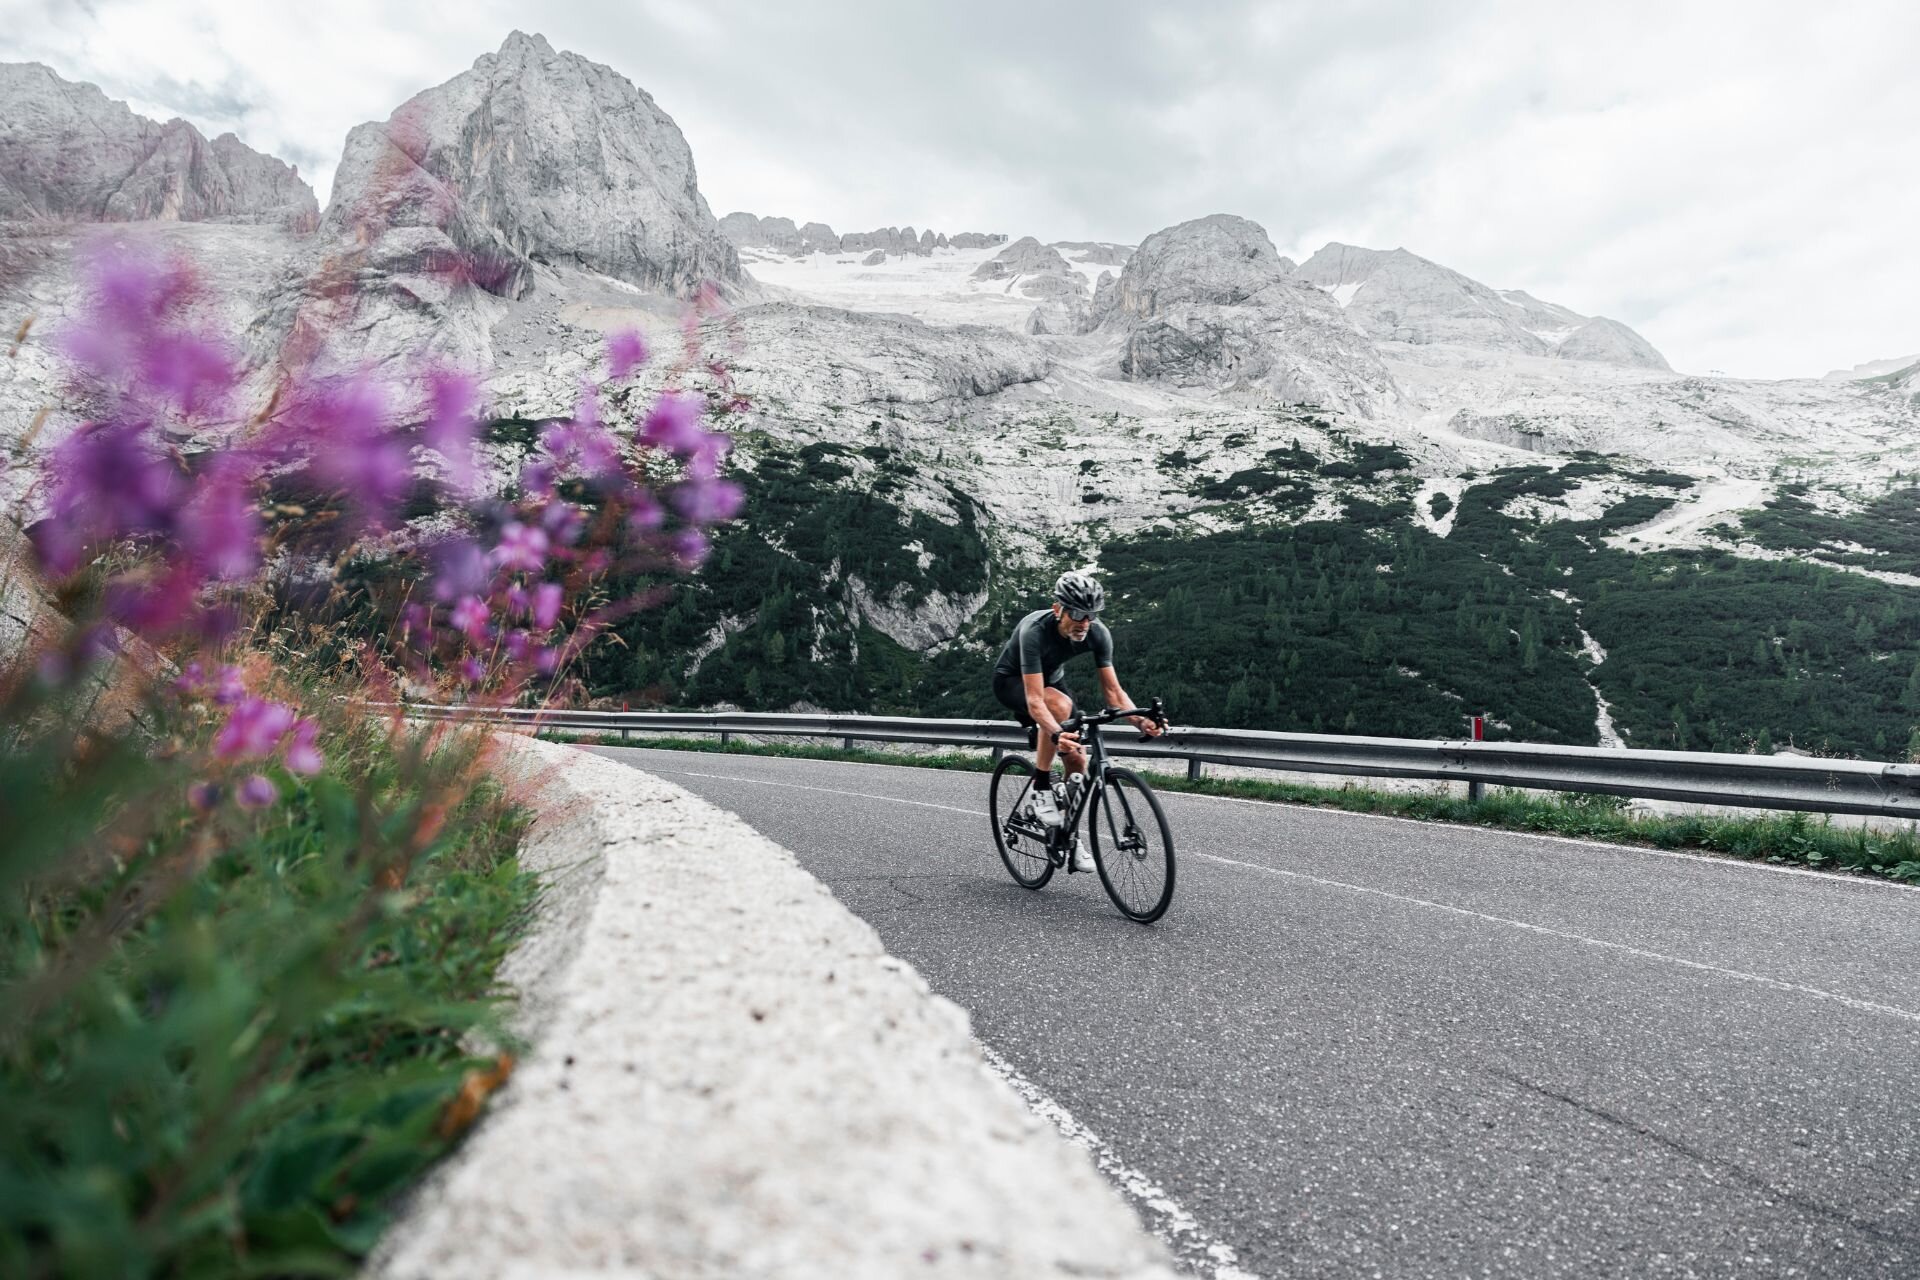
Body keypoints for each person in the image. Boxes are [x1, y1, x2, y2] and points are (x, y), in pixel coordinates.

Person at [992, 570, 1163, 872]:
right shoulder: (1034, 630)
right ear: (1057, 608)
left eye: (1091, 615)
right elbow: (1035, 700)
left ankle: (1066, 836)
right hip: (1013, 683)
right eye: (1078, 614)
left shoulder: (1097, 633)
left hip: (1053, 685)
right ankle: (1041, 785)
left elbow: (1113, 692)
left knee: (1078, 762)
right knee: (1058, 706)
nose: (1085, 623)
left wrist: (1140, 721)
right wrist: (1056, 733)